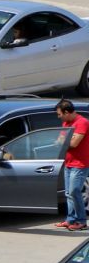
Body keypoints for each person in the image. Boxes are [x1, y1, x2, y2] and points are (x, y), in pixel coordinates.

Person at [58, 98, 89, 231]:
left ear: (66, 112)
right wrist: (66, 140)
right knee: (68, 193)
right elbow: (59, 140)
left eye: (59, 114)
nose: (59, 117)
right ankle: (70, 219)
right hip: (69, 162)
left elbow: (74, 143)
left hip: (80, 163)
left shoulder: (82, 122)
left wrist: (65, 141)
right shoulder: (66, 122)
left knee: (74, 191)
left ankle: (81, 220)